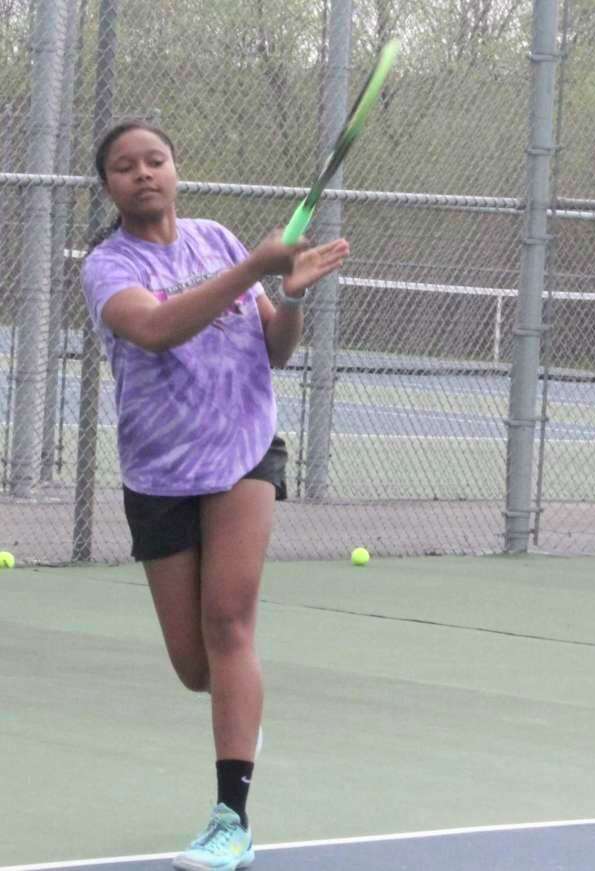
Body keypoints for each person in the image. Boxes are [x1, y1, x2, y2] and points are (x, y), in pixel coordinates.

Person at [81, 119, 349, 870]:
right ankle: (240, 710)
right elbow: (159, 327)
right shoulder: (107, 264)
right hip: (161, 468)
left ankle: (232, 815)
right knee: (196, 665)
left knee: (230, 621)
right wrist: (256, 266)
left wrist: (287, 295)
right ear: (108, 186)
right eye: (125, 167)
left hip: (243, 448)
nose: (144, 174)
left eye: (156, 160)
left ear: (176, 168)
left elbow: (273, 348)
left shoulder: (217, 238)